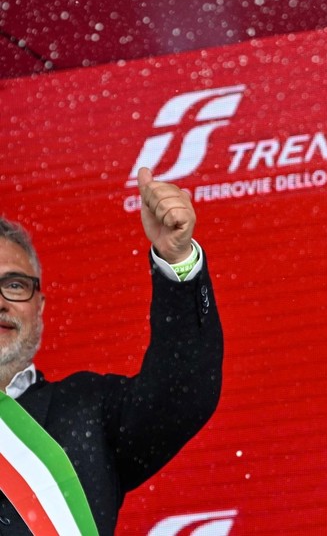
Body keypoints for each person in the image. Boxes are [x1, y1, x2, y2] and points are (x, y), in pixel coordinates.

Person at [0, 168, 223, 535]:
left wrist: (177, 260)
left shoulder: (86, 410)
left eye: (14, 285)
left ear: (39, 306)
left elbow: (183, 392)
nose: (1, 302)